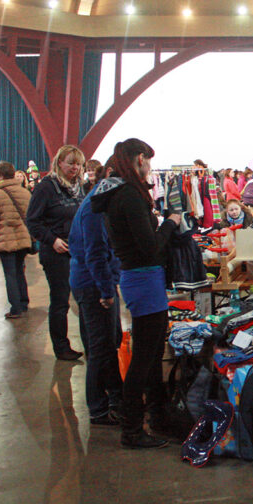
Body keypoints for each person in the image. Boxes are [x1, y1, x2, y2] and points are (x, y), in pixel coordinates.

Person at [92, 138, 182, 449]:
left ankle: (156, 417)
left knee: (153, 352)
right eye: (149, 161)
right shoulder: (128, 195)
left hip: (140, 278)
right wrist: (170, 223)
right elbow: (150, 246)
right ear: (139, 159)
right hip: (144, 279)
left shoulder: (116, 192)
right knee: (145, 357)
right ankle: (133, 429)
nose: (150, 167)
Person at [68, 157, 123, 427]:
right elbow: (95, 254)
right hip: (92, 285)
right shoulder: (94, 208)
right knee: (100, 348)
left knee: (108, 343)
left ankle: (115, 400)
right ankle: (99, 410)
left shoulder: (95, 203)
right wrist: (106, 290)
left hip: (94, 282)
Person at [27, 144, 87, 361]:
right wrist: (52, 240)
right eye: (71, 163)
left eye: (78, 164)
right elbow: (32, 221)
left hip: (78, 252)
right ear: (59, 162)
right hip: (56, 254)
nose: (75, 167)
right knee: (60, 301)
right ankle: (61, 347)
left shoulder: (80, 186)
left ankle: (88, 341)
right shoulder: (46, 187)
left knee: (83, 298)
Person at [0, 162, 34, 320]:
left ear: (0, 175)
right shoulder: (25, 192)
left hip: (6, 240)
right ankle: (24, 303)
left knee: (10, 274)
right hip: (23, 238)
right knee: (20, 271)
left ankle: (15, 308)